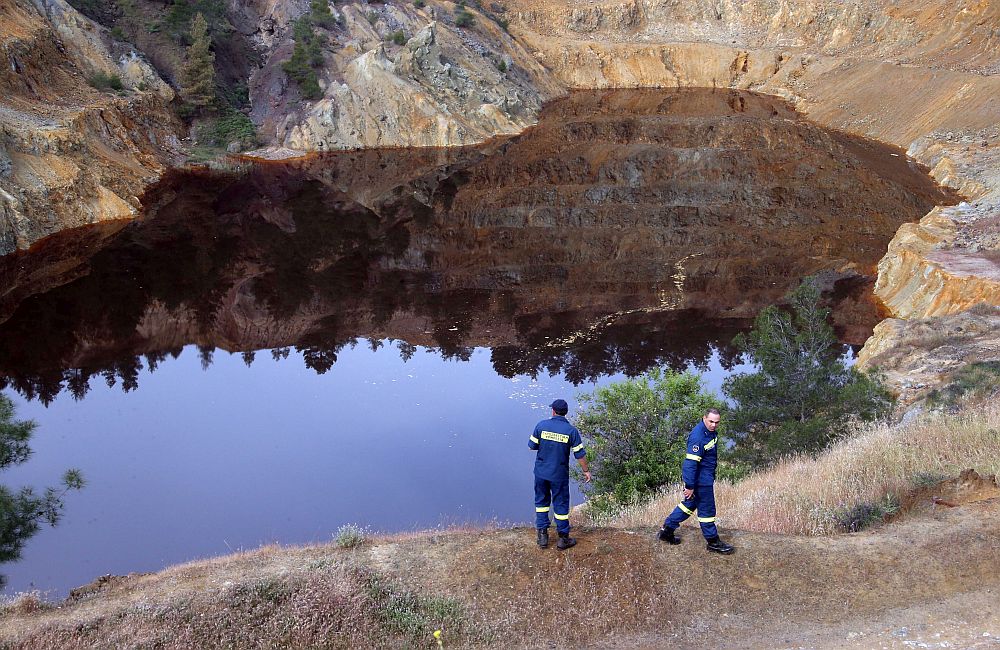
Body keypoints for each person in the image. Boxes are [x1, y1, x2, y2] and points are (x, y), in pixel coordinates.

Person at [657, 408, 735, 554]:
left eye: (716, 422)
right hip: (701, 481)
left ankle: (666, 531)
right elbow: (690, 464)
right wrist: (690, 485)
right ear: (704, 418)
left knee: (689, 505)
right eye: (711, 421)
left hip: (704, 478)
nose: (713, 425)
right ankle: (713, 542)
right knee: (707, 510)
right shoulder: (698, 437)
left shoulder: (709, 432)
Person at [528, 399, 591, 550]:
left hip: (541, 473)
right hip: (559, 475)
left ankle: (542, 536)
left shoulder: (541, 425)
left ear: (553, 411)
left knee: (541, 503)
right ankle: (563, 539)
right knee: (561, 504)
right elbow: (580, 454)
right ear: (565, 413)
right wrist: (586, 471)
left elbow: (531, 446)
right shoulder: (571, 431)